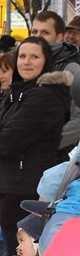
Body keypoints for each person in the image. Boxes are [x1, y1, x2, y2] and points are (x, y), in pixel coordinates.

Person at [0, 36, 72, 255]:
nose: (26, 62)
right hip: (10, 185)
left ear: (45, 62)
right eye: (22, 56)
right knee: (10, 255)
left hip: (28, 189)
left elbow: (2, 145)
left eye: (34, 57)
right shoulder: (19, 92)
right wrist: (0, 128)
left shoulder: (44, 97)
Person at [30, 11, 80, 155]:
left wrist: (44, 144)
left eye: (45, 32)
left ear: (59, 38)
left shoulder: (71, 69)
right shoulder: (27, 67)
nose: (38, 37)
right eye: (34, 31)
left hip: (57, 158)